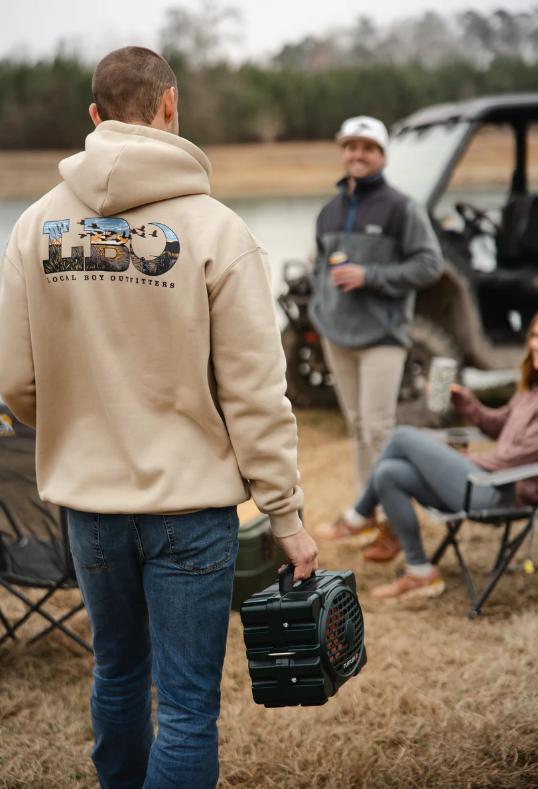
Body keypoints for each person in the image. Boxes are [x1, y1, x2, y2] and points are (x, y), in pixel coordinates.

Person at [0, 46, 318, 789]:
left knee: (116, 675)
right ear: (171, 106)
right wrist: (286, 514)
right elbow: (255, 393)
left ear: (94, 116)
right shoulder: (216, 230)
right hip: (191, 509)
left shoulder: (33, 228)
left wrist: (81, 433)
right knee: (183, 707)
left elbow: (14, 380)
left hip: (89, 504)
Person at [311, 115, 444, 555]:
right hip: (337, 336)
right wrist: (320, 309)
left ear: (383, 155)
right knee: (357, 427)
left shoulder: (401, 207)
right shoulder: (329, 210)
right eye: (350, 146)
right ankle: (364, 514)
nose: (357, 154)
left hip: (382, 337)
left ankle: (393, 523)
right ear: (342, 152)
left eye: (367, 148)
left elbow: (430, 264)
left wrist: (371, 275)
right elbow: (319, 269)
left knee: (380, 428)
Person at [351, 312, 538, 601]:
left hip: (500, 492)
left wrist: (465, 459)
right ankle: (420, 572)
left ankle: (358, 516)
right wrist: (463, 399)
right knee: (389, 472)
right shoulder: (529, 391)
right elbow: (497, 425)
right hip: (480, 482)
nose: (536, 345)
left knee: (402, 436)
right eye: (535, 336)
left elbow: (513, 460)